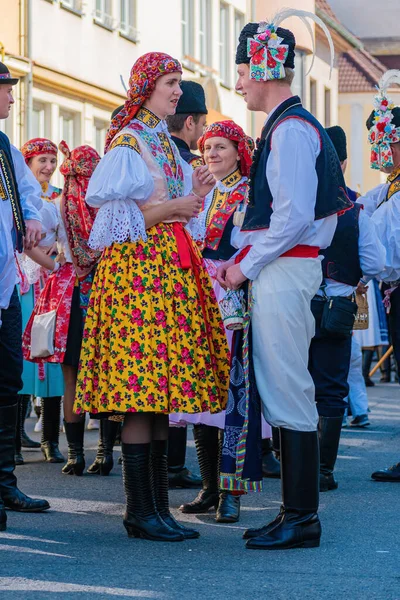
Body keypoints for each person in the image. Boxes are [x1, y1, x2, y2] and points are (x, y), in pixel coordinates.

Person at [73, 52, 229, 542]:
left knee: (159, 392)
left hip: (165, 272)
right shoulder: (128, 142)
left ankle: (157, 508)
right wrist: (175, 206)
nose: (177, 91)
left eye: (178, 82)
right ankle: (140, 511)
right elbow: (112, 227)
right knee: (142, 391)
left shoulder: (161, 140)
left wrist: (195, 194)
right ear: (146, 87)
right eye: (169, 82)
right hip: (136, 278)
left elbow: (182, 216)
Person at [216, 10, 353, 551]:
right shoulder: (289, 126)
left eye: (245, 69)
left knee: (288, 387)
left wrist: (242, 263)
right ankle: (295, 512)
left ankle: (302, 516)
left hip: (286, 267)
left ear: (268, 66)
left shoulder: (291, 130)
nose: (240, 80)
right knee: (282, 386)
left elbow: (292, 218)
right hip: (286, 266)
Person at [308, 125, 385, 493]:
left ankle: (294, 461)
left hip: (299, 303)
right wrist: (353, 277)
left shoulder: (298, 203)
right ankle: (323, 471)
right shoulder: (357, 212)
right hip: (338, 307)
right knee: (332, 389)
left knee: (295, 384)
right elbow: (374, 263)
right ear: (343, 161)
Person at [22, 141, 102, 476]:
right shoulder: (103, 205)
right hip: (102, 288)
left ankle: (75, 455)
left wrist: (58, 268)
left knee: (71, 375)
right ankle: (105, 452)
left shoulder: (55, 206)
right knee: (100, 371)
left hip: (71, 292)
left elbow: (30, 245)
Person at [0, 61, 50, 531]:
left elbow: (30, 194)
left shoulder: (5, 149)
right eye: (6, 90)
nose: (12, 99)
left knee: (7, 381)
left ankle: (4, 481)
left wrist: (31, 216)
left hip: (5, 285)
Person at [164, 80, 208, 489]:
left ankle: (168, 466)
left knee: (167, 371)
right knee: (177, 370)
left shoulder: (164, 154)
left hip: (166, 267)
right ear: (191, 122)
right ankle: (172, 465)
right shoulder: (185, 164)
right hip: (177, 267)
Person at [358, 69, 400, 482]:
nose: (381, 151)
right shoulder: (388, 189)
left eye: (386, 142)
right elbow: (362, 207)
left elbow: (388, 248)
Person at [17, 138, 66, 465]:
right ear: (28, 163)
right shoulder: (20, 197)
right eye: (42, 161)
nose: (48, 167)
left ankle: (51, 438)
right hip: (25, 281)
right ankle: (15, 438)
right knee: (22, 361)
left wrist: (60, 253)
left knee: (53, 358)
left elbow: (68, 236)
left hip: (53, 284)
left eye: (52, 160)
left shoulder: (60, 198)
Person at [167, 80, 206, 168]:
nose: (204, 133)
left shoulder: (154, 153)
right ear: (190, 122)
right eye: (203, 125)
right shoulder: (195, 165)